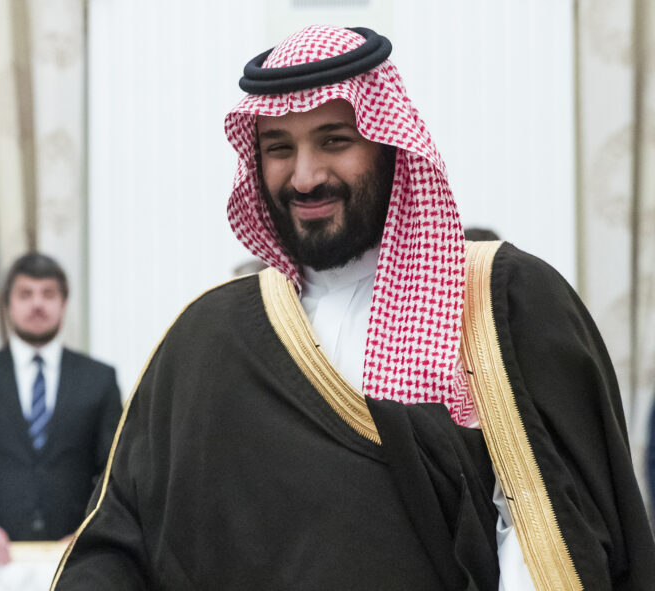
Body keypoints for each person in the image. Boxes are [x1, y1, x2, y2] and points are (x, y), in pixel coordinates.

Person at [51, 25, 655, 589]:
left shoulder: (497, 299)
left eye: (334, 141)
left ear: (390, 145)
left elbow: (548, 531)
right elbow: (120, 537)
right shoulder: (206, 335)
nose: (305, 177)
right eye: (278, 148)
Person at [0, 253, 122, 566]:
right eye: (25, 294)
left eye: (48, 294)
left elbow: (114, 469)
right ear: (7, 305)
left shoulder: (100, 379)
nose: (37, 304)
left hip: (77, 556)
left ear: (64, 303)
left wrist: (89, 528)